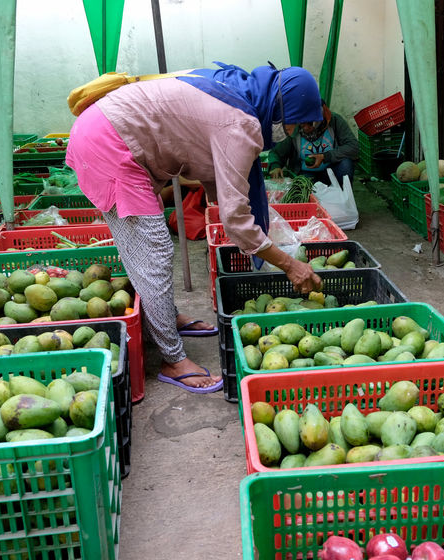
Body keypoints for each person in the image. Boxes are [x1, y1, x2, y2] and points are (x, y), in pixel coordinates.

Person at [66, 62, 324, 394]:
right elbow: (234, 220)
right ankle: (172, 359)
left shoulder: (238, 90)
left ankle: (165, 316)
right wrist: (290, 265)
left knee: (148, 247)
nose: (296, 134)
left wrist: (246, 217)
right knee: (154, 250)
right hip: (107, 143)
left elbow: (215, 172)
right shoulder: (240, 122)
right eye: (295, 125)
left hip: (109, 132)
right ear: (279, 113)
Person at [267, 101, 359, 185]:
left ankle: (342, 196)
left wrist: (325, 157)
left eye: (310, 123)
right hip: (305, 173)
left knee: (346, 165)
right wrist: (275, 166)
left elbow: (353, 146)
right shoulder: (294, 127)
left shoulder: (334, 121)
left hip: (331, 171)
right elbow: (276, 152)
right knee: (303, 188)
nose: (306, 128)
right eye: (302, 124)